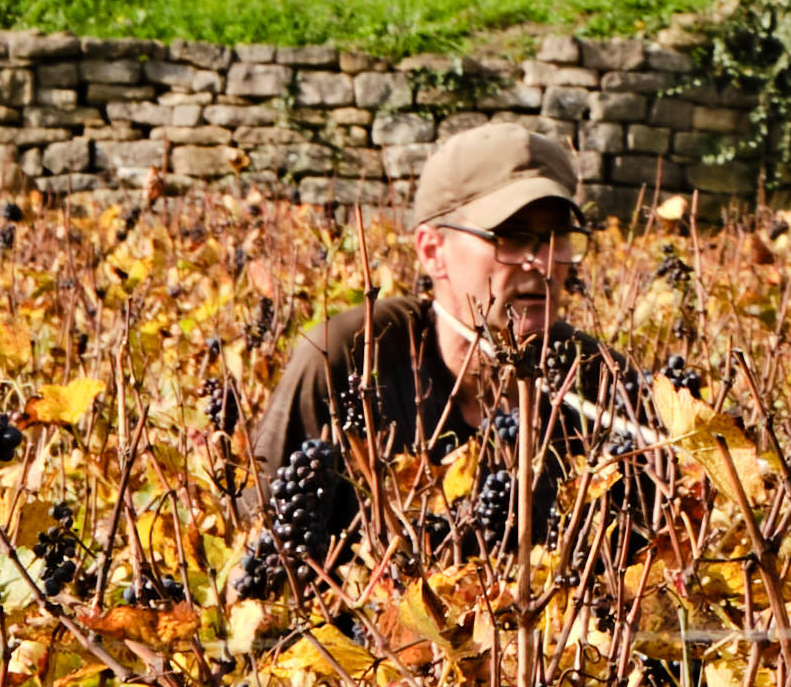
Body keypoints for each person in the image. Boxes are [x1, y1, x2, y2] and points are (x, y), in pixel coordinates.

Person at [242, 117, 638, 554]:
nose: (544, 264)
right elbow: (263, 553)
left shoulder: (601, 382)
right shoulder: (349, 360)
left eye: (557, 237)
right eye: (513, 237)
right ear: (433, 251)